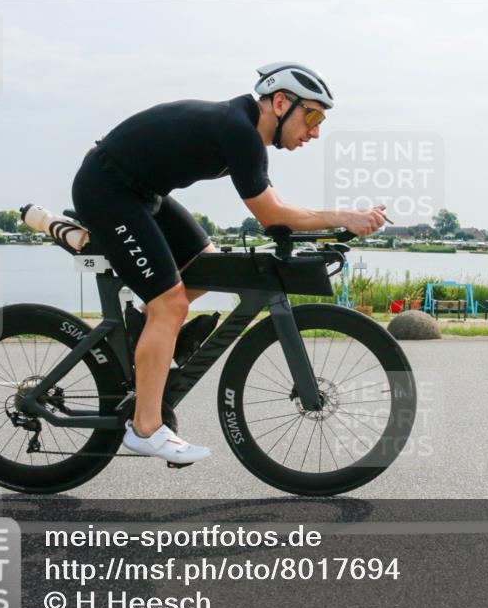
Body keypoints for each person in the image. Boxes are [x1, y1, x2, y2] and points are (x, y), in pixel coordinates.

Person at [71, 62, 386, 465]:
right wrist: (345, 217)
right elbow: (273, 215)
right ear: (279, 102)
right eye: (312, 115)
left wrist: (337, 221)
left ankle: (146, 337)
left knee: (208, 264)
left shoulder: (243, 129)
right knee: (170, 304)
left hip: (143, 191)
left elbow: (279, 209)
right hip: (107, 188)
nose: (315, 130)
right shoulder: (239, 130)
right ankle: (144, 428)